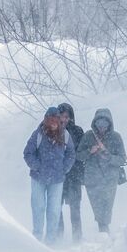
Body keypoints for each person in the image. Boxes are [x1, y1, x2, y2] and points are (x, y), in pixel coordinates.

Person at [23, 106, 75, 244]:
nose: (53, 123)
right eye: (50, 119)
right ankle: (37, 238)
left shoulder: (65, 135)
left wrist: (64, 168)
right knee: (38, 207)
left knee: (54, 210)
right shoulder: (38, 134)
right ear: (46, 120)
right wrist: (37, 166)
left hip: (57, 179)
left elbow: (71, 154)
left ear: (59, 121)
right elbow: (28, 153)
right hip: (38, 178)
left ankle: (50, 241)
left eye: (56, 120)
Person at [77, 107, 126, 233]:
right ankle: (103, 228)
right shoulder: (88, 136)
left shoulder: (116, 137)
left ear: (110, 123)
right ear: (95, 123)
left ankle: (104, 229)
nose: (102, 126)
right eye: (99, 123)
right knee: (96, 206)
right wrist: (90, 151)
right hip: (92, 177)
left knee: (107, 205)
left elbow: (122, 159)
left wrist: (109, 157)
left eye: (105, 123)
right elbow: (78, 155)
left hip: (110, 178)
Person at [55, 102, 85, 242]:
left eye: (67, 116)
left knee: (75, 209)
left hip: (74, 175)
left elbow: (81, 152)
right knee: (56, 209)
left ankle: (77, 239)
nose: (64, 119)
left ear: (71, 117)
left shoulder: (78, 131)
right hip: (58, 176)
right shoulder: (51, 130)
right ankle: (58, 237)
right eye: (62, 116)